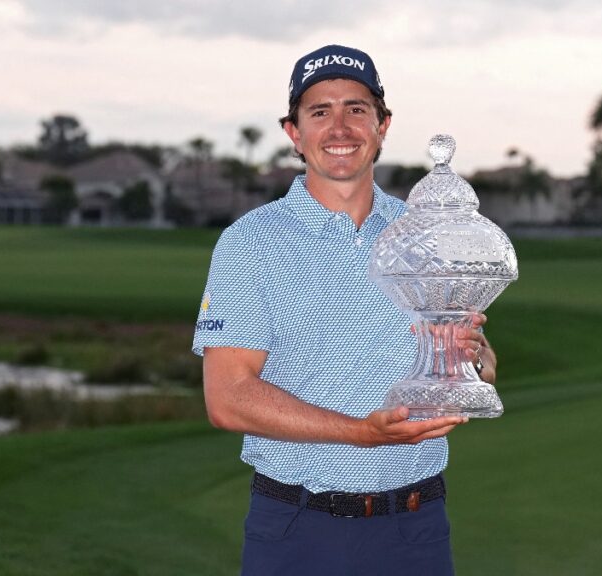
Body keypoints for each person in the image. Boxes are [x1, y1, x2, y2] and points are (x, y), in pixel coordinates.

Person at [193, 44, 498, 576]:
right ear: (294, 132)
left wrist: (474, 360)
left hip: (415, 527)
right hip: (297, 528)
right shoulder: (249, 243)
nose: (340, 128)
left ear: (382, 126)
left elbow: (474, 363)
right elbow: (228, 398)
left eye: (356, 109)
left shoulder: (428, 235)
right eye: (319, 112)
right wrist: (361, 432)